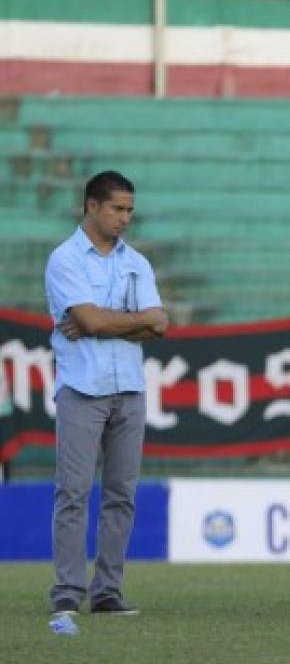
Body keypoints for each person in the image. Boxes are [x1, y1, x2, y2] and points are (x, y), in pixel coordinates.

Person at [45, 170, 167, 616]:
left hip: (129, 388)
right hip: (81, 387)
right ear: (91, 206)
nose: (125, 218)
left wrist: (102, 320)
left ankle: (108, 591)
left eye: (130, 210)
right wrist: (130, 321)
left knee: (121, 494)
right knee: (73, 493)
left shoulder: (136, 261)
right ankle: (67, 590)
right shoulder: (64, 259)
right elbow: (127, 321)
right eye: (117, 208)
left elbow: (160, 323)